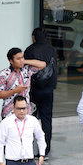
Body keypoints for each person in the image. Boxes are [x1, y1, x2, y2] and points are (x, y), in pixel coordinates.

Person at [24, 27, 58, 155]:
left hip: (34, 90)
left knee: (29, 118)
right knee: (46, 120)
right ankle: (45, 148)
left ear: (34, 38)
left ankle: (27, 147)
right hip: (48, 90)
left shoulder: (30, 50)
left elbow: (26, 70)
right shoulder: (51, 50)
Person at [0, 47, 46, 118]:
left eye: (22, 58)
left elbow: (43, 64)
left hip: (26, 112)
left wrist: (25, 61)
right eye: (18, 59)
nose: (21, 60)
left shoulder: (27, 70)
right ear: (11, 61)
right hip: (10, 113)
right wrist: (14, 91)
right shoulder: (4, 74)